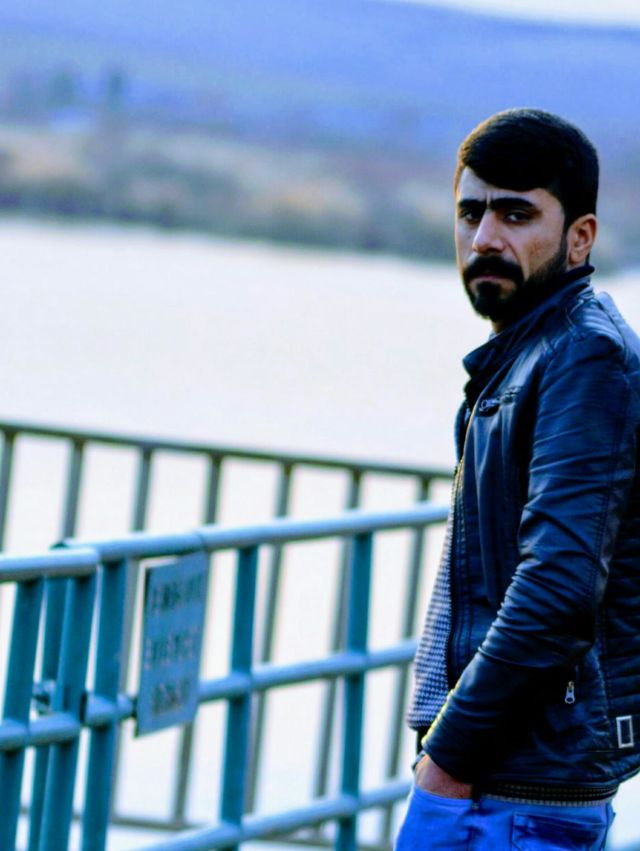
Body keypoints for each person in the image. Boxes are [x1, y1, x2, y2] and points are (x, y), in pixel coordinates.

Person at [395, 108, 640, 850]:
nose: (484, 238)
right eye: (470, 213)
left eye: (516, 214)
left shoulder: (583, 358)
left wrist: (445, 766)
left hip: (516, 796)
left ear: (580, 237)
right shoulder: (530, 354)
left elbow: (557, 590)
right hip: (505, 784)